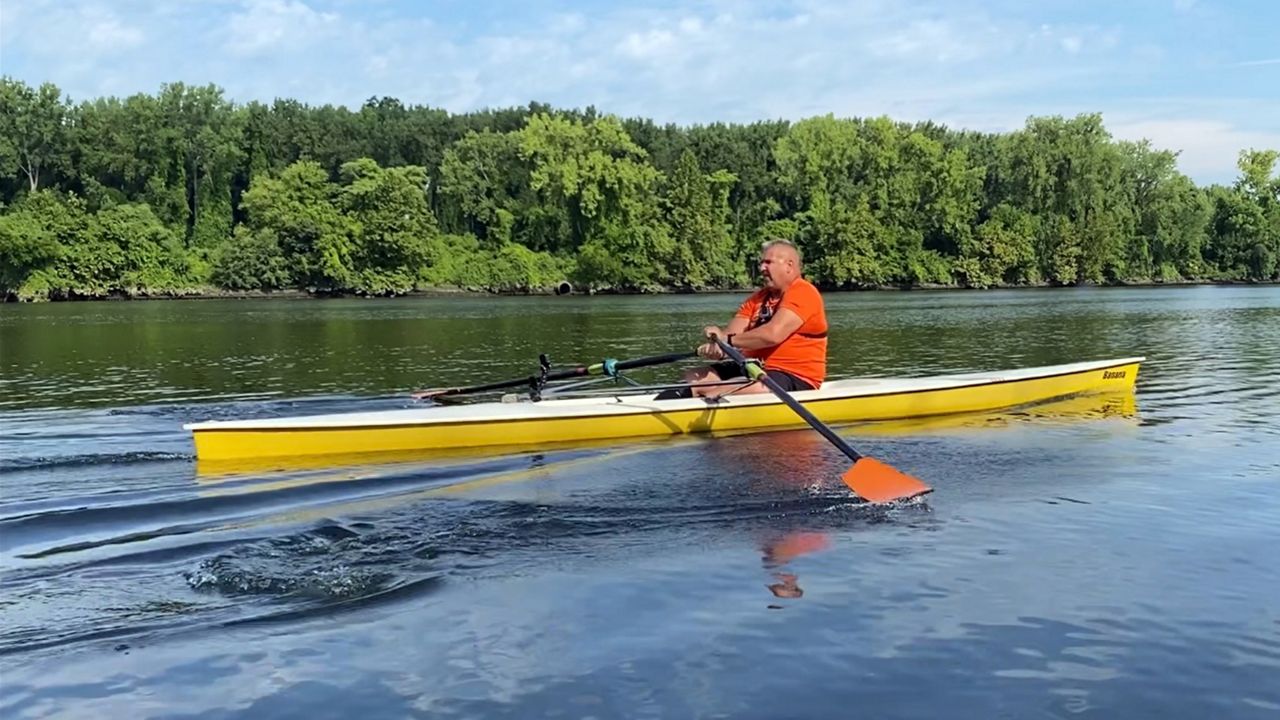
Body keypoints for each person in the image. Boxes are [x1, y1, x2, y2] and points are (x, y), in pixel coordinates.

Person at [657, 239, 827, 399]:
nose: (761, 268)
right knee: (693, 377)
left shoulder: (803, 292)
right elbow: (731, 334)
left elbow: (772, 334)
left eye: (768, 262)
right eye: (761, 263)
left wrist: (727, 340)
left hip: (794, 376)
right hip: (754, 368)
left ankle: (708, 405)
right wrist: (718, 344)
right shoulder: (757, 299)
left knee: (725, 388)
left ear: (789, 265)